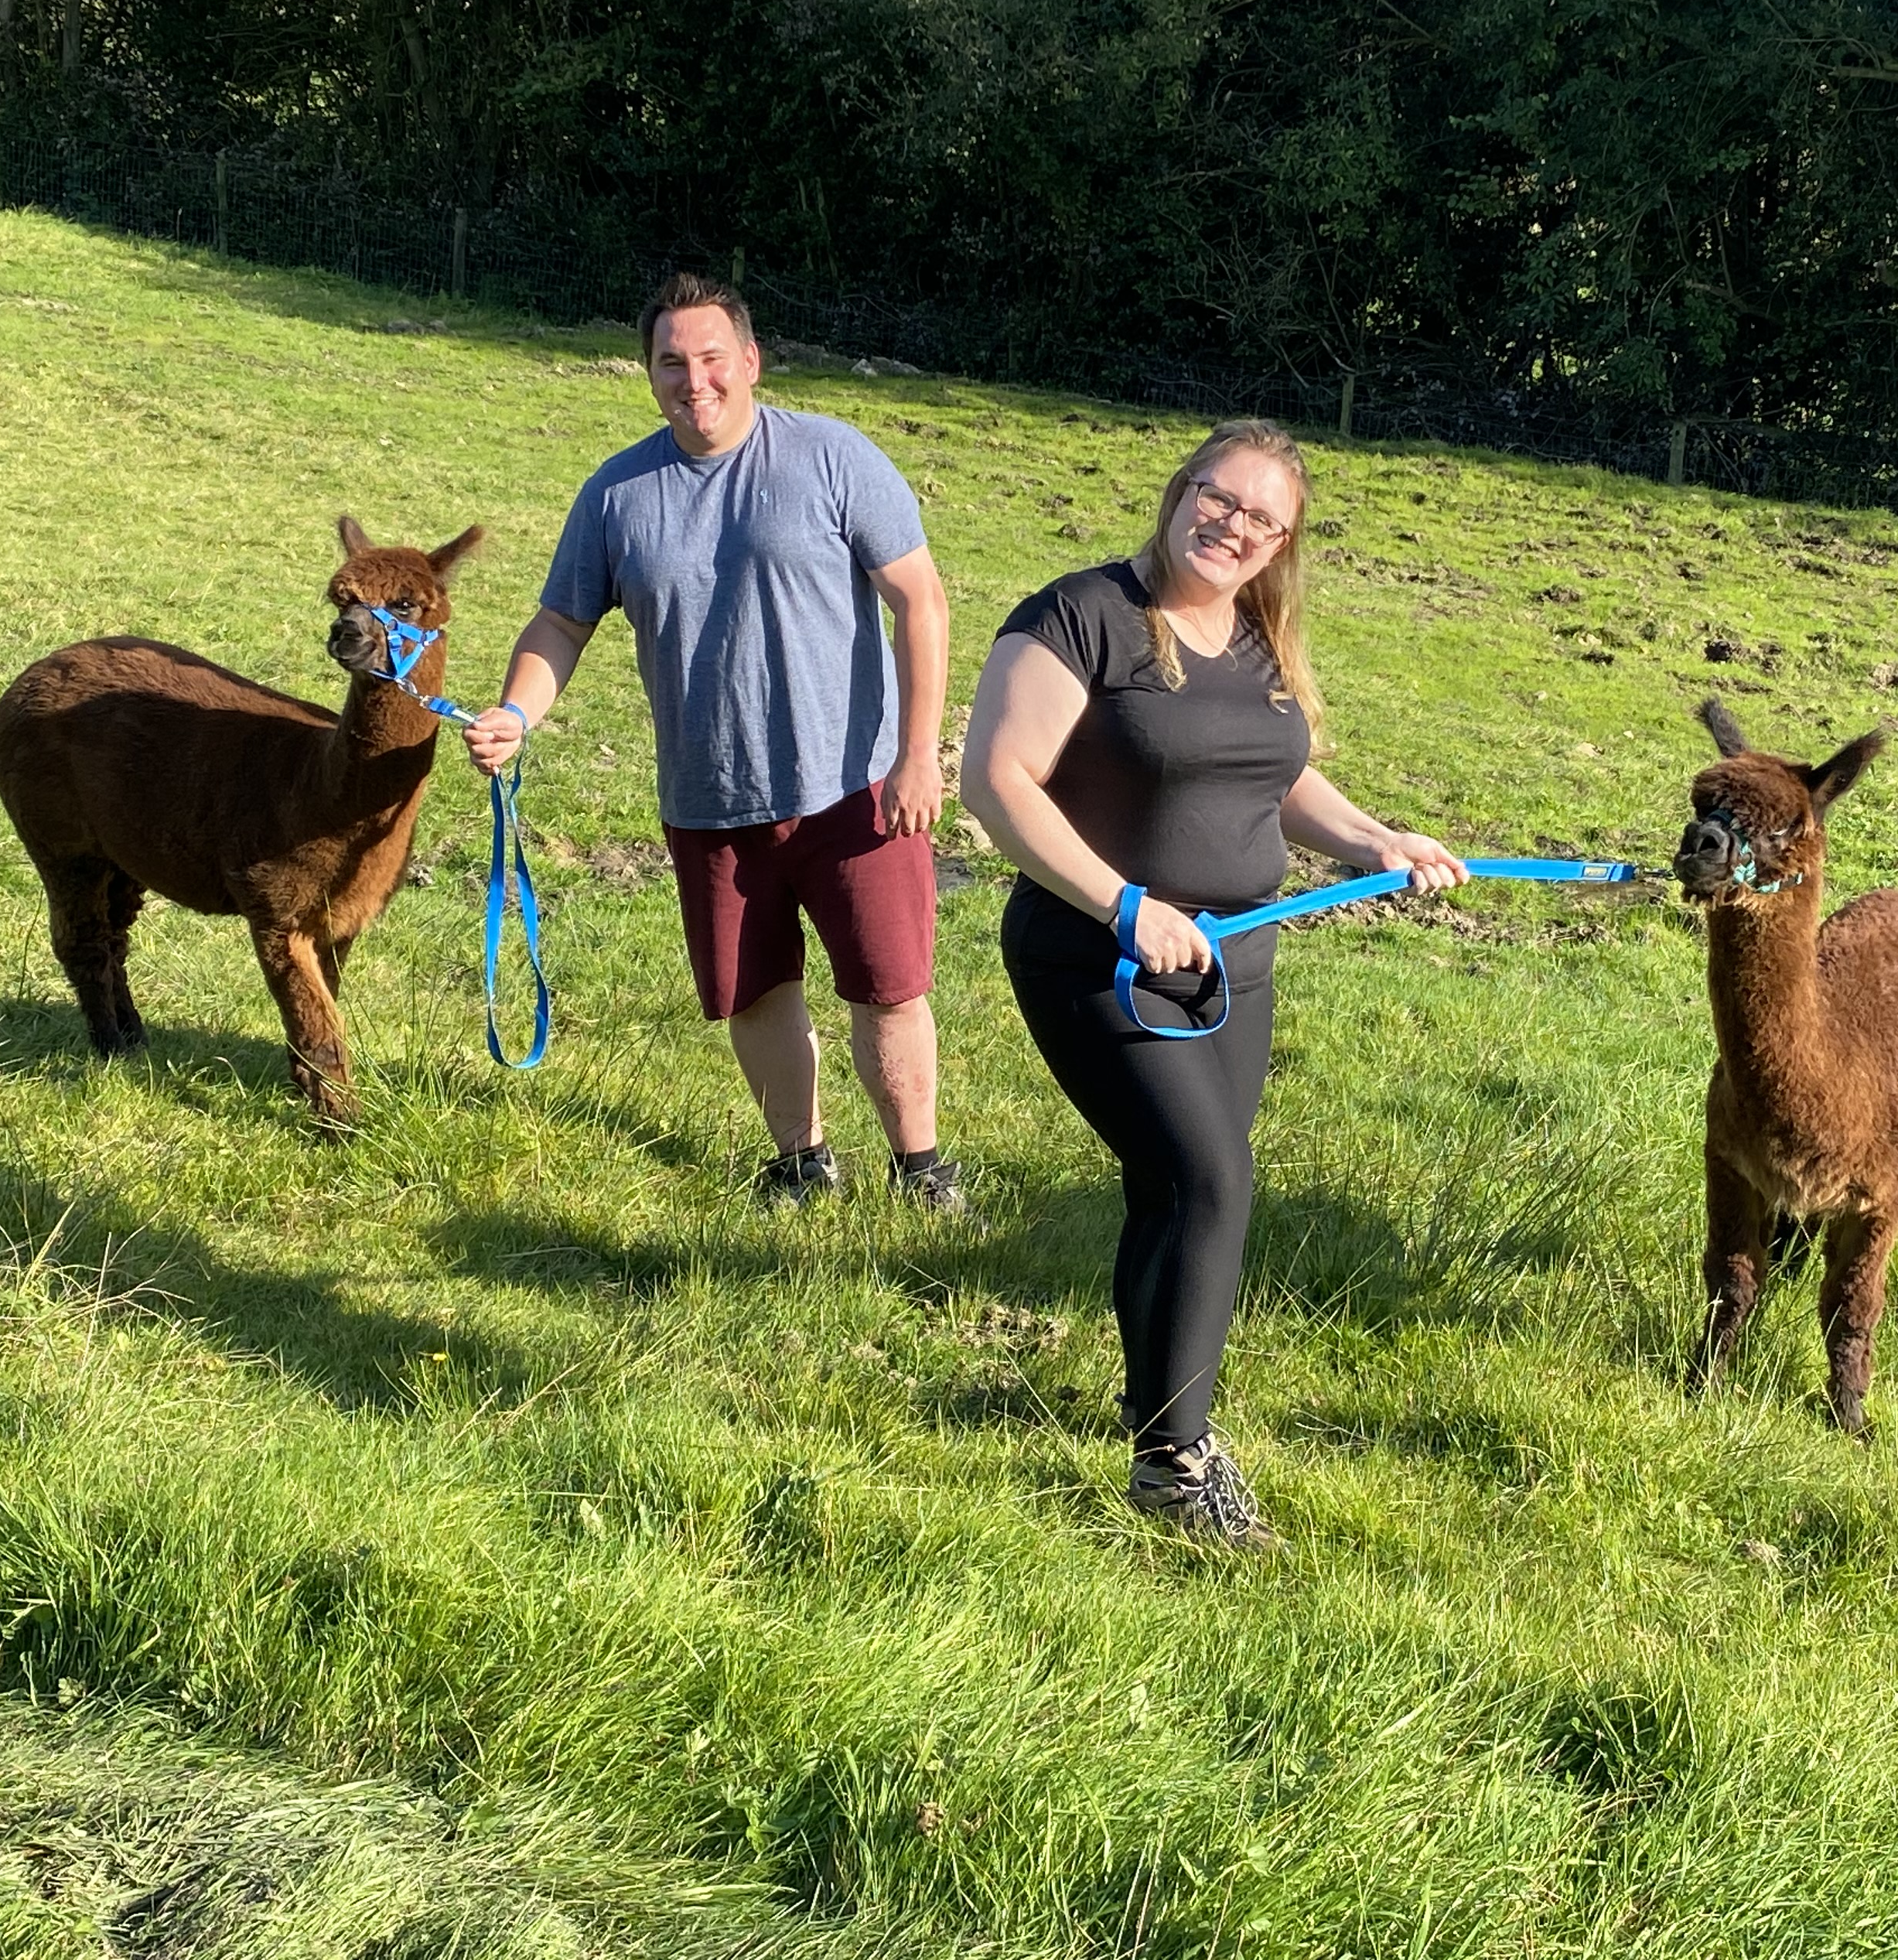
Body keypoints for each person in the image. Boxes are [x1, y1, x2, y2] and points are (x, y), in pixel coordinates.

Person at [960, 418, 1465, 1543]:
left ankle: (1154, 1432)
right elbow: (997, 781)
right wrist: (1128, 906)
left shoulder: (1254, 639)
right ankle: (1182, 1470)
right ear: (1179, 489)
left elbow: (1283, 785)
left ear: (1284, 542)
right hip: (1097, 956)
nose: (1232, 527)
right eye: (1219, 499)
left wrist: (1377, 840)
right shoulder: (1081, 615)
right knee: (1215, 1186)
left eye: (1263, 519)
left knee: (1171, 1192)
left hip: (1236, 962)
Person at [462, 272, 964, 1213]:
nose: (694, 381)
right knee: (754, 994)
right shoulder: (618, 494)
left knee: (888, 991)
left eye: (710, 360)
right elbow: (561, 626)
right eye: (671, 363)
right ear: (648, 373)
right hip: (709, 799)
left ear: (750, 361)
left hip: (853, 790)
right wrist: (516, 714)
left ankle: (921, 1167)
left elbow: (921, 600)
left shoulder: (833, 457)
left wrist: (918, 753)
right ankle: (802, 1162)